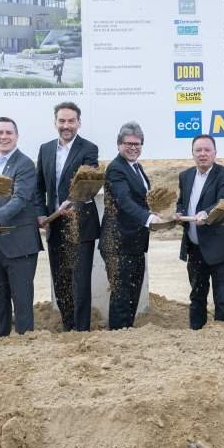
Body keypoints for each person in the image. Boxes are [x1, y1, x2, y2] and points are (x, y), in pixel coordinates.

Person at [0, 117, 42, 337]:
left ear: (17, 136)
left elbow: (20, 199)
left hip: (20, 244)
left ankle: (25, 342)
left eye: (8, 133)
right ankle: (0, 339)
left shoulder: (25, 164)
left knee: (22, 301)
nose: (4, 137)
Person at [35, 102, 101, 332]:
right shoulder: (45, 149)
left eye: (71, 121)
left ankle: (81, 330)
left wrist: (72, 201)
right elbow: (39, 186)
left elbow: (87, 182)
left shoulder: (89, 149)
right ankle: (68, 327)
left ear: (78, 123)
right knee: (61, 280)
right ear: (55, 122)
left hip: (80, 224)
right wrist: (41, 212)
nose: (66, 125)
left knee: (80, 281)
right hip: (54, 224)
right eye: (62, 121)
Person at [174, 134, 224, 329]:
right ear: (192, 153)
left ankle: (223, 335)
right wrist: (180, 212)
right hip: (195, 248)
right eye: (198, 150)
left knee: (222, 297)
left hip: (220, 248)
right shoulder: (185, 176)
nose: (202, 154)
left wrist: (207, 213)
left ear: (214, 153)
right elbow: (182, 202)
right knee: (196, 295)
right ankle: (196, 333)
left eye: (207, 150)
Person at [100, 122, 162, 329]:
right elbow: (124, 201)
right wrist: (148, 219)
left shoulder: (137, 167)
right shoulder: (116, 169)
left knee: (133, 294)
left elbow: (140, 201)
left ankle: (127, 332)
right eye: (128, 143)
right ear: (119, 144)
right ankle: (118, 335)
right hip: (117, 244)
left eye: (137, 144)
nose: (133, 147)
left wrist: (152, 213)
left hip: (135, 243)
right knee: (121, 295)